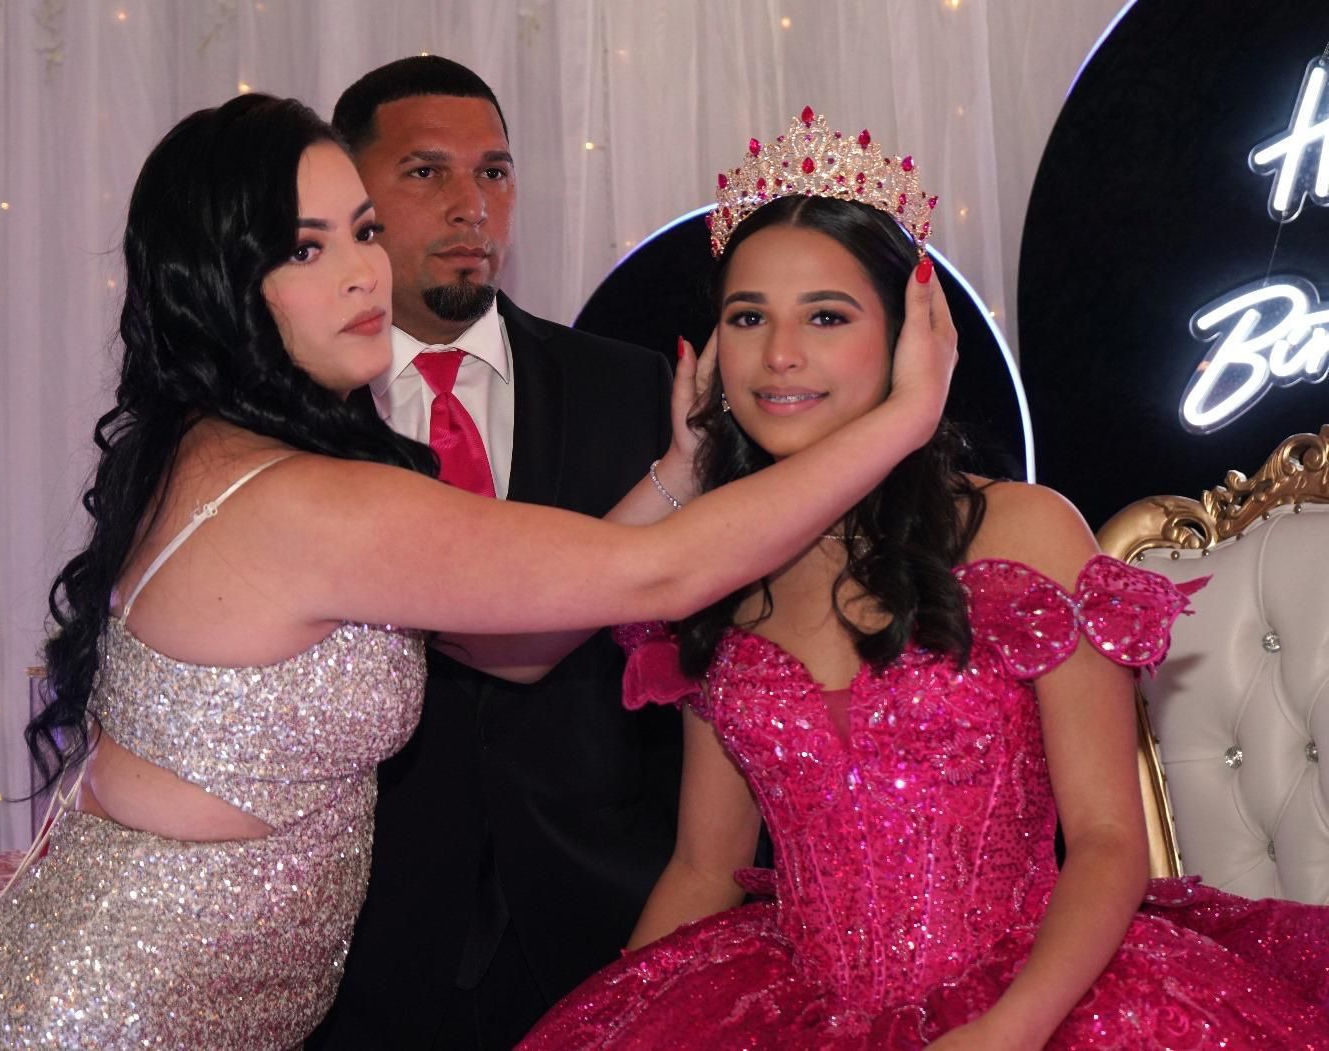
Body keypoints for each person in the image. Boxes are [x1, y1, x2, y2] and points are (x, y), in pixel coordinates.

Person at [0, 95, 955, 1049]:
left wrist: (677, 474)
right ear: (221, 286)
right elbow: (658, 579)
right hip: (115, 1016)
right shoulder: (303, 502)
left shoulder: (220, 451)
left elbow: (516, 653)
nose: (362, 273)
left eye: (362, 232)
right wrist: (905, 416)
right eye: (306, 249)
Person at [518, 112, 1329, 1050]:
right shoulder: (715, 563)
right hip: (791, 1004)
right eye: (747, 317)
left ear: (911, 337)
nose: (779, 353)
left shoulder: (1022, 529)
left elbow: (1109, 839)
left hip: (1041, 998)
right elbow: (704, 867)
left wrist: (1009, 1029)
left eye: (826, 316)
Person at [305, 55, 683, 1050]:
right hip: (356, 942)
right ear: (350, 196)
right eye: (426, 171)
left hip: (604, 913)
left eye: (495, 172)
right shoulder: (290, 416)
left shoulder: (632, 388)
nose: (471, 204)